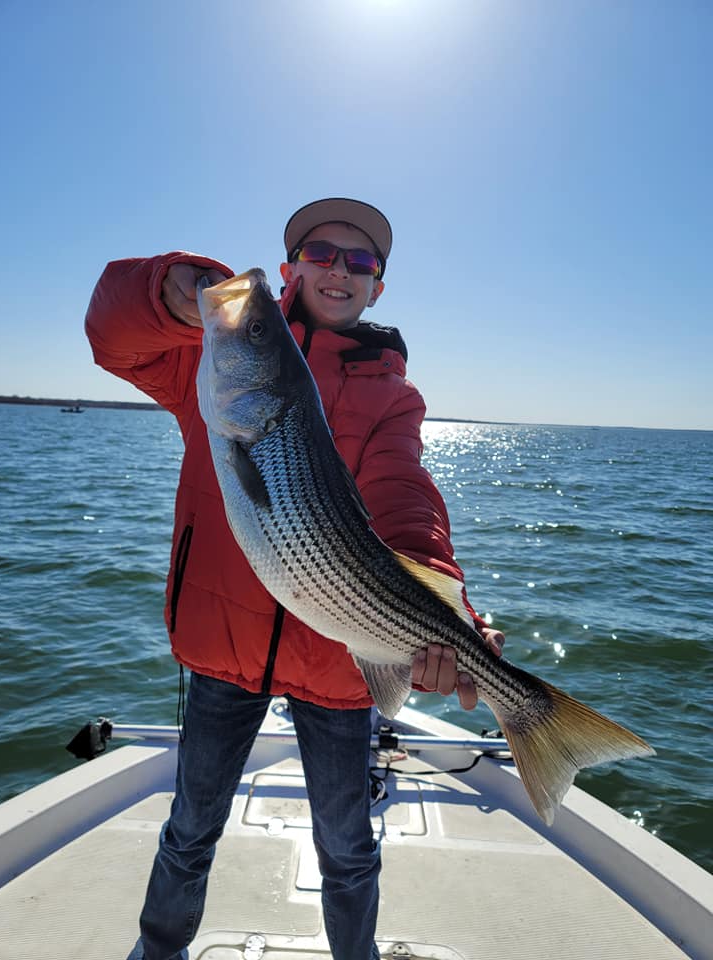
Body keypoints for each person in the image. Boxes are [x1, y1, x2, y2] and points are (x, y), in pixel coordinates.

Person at [85, 198, 504, 960]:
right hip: (224, 649)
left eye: (362, 262)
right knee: (189, 828)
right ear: (290, 268)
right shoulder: (211, 365)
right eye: (321, 251)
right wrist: (167, 289)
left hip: (346, 657)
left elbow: (406, 499)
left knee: (347, 847)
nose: (339, 269)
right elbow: (114, 337)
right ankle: (157, 950)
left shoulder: (392, 396)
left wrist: (448, 604)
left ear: (378, 288)